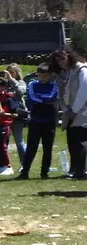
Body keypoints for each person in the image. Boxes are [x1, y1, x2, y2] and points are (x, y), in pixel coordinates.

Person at [50, 48, 87, 180]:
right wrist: (66, 110)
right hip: (70, 112)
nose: (60, 62)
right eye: (57, 60)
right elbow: (63, 94)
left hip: (82, 112)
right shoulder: (66, 73)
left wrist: (74, 110)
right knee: (72, 142)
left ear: (69, 57)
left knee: (80, 142)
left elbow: (84, 91)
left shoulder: (82, 70)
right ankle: (75, 169)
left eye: (62, 58)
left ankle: (81, 172)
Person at [19, 63, 60, 180]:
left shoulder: (54, 86)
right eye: (41, 75)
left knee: (48, 148)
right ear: (37, 75)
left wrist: (41, 99)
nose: (43, 78)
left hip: (49, 120)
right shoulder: (32, 84)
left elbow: (52, 96)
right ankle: (25, 172)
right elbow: (32, 98)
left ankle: (44, 172)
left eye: (46, 75)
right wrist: (44, 100)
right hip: (35, 120)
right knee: (31, 147)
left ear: (50, 75)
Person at [6, 64, 28, 161]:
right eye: (8, 72)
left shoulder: (21, 82)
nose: (10, 74)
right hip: (5, 115)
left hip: (17, 115)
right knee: (3, 142)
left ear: (17, 73)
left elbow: (20, 92)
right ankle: (5, 164)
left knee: (19, 141)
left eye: (12, 72)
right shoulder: (4, 84)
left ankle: (24, 164)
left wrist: (11, 79)